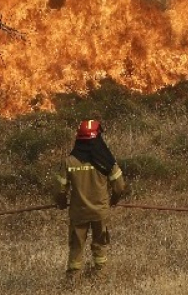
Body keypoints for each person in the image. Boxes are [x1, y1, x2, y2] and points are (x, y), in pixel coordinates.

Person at [54, 119, 127, 281]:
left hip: (78, 212)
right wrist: (113, 201)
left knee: (76, 246)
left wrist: (60, 203)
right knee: (100, 245)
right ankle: (100, 276)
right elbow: (120, 186)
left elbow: (60, 189)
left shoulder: (69, 162)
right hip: (100, 211)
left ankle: (72, 280)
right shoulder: (106, 160)